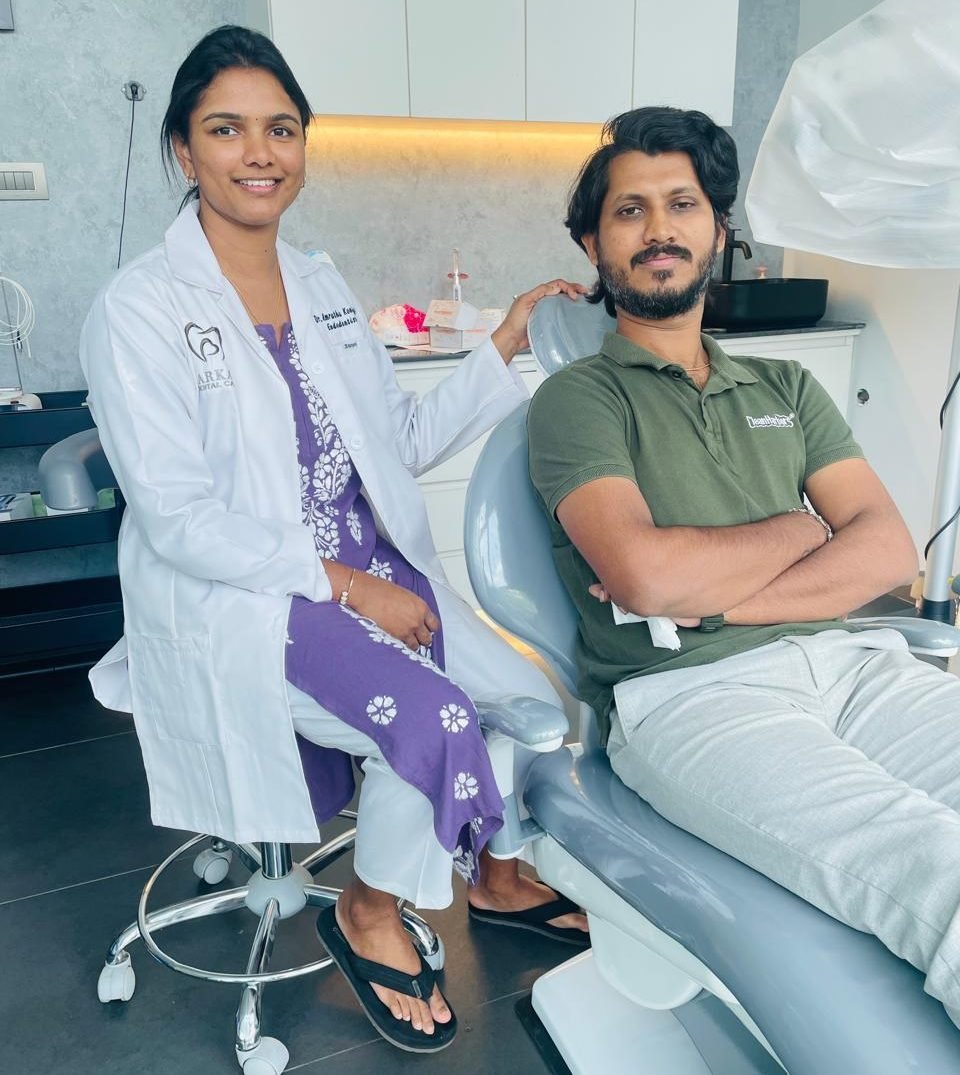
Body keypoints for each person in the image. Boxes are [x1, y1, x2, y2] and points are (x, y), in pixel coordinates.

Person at [81, 24, 587, 1054]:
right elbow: (179, 519)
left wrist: (501, 342)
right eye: (227, 130)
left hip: (374, 573)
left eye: (280, 129)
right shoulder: (137, 309)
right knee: (441, 717)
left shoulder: (319, 283)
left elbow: (392, 444)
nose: (259, 152)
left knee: (534, 704)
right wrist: (347, 587)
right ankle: (367, 908)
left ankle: (487, 876)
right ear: (183, 149)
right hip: (257, 600)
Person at [527, 105, 960, 1029]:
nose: (659, 230)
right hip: (689, 698)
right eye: (629, 211)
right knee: (936, 864)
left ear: (717, 231)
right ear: (593, 244)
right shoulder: (577, 400)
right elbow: (643, 578)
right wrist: (803, 528)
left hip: (856, 666)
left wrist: (713, 596)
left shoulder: (788, 388)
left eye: (681, 205)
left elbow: (886, 550)